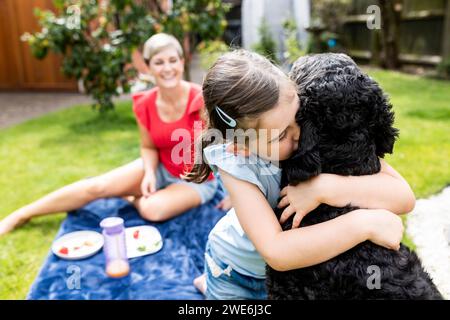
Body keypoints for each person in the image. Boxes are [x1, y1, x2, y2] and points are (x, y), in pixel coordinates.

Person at [185, 50, 415, 299]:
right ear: (241, 145)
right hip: (237, 274)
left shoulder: (304, 135)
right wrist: (364, 225)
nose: (300, 135)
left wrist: (325, 188)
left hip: (289, 277)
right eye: (281, 135)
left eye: (300, 118)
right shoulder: (237, 165)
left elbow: (403, 196)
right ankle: (210, 282)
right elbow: (277, 252)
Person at [0, 33, 225, 236]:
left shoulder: (201, 100)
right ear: (147, 67)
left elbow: (226, 142)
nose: (167, 68)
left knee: (152, 209)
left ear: (182, 62)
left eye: (172, 60)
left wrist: (234, 193)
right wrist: (148, 173)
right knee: (95, 187)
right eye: (159, 62)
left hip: (197, 180)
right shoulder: (145, 103)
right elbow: (148, 147)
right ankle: (22, 214)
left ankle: (128, 194)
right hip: (161, 168)